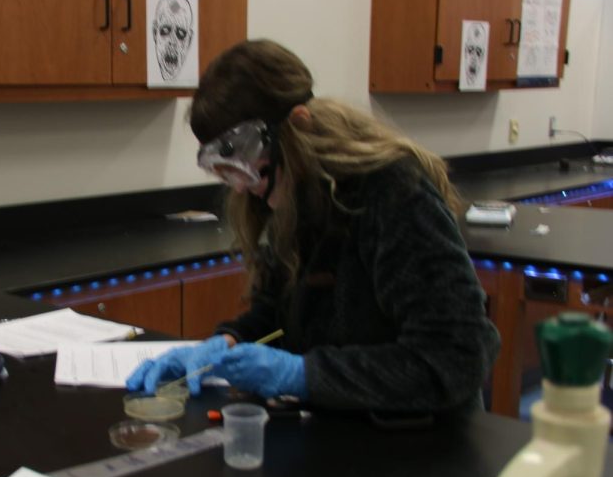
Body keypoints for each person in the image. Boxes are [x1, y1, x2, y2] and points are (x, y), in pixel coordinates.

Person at [126, 39, 500, 413]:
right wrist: (228, 341)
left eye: (248, 167)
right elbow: (278, 316)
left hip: (428, 446)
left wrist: (303, 374)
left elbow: (456, 357)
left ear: (299, 126)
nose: (241, 187)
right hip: (344, 433)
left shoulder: (395, 192)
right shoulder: (291, 195)